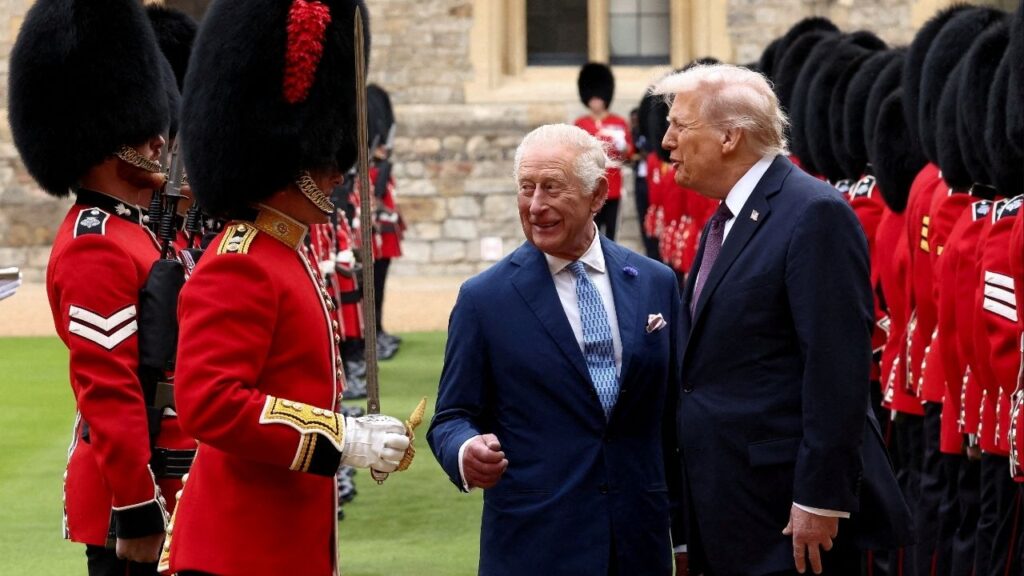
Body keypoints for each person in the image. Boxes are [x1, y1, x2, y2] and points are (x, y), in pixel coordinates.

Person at [164, 1, 412, 575]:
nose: (335, 172)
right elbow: (210, 402)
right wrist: (340, 438)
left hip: (285, 539)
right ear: (283, 159)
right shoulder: (242, 262)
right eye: (323, 159)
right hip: (239, 548)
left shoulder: (285, 253)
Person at [655, 63, 912, 575]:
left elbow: (836, 368)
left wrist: (820, 498)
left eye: (680, 126)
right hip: (727, 502)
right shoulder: (726, 219)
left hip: (785, 514)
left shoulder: (812, 212)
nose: (666, 141)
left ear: (730, 136)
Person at [428, 123, 684, 576]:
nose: (536, 205)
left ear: (598, 194)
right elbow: (451, 417)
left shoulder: (655, 283)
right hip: (534, 546)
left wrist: (684, 540)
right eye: (526, 188)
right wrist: (466, 450)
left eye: (552, 188)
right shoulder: (484, 299)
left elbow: (675, 423)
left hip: (638, 546)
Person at [8, 1, 195, 574]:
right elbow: (108, 384)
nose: (160, 141)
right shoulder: (97, 243)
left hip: (179, 479)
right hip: (135, 500)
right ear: (107, 136)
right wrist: (137, 509)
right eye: (146, 132)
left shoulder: (143, 233)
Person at [574, 62, 632, 241]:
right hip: (589, 186)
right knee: (591, 232)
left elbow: (628, 154)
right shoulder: (580, 124)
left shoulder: (619, 122)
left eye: (598, 98)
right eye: (592, 98)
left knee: (612, 232)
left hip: (613, 184)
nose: (595, 102)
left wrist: (622, 146)